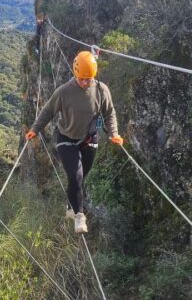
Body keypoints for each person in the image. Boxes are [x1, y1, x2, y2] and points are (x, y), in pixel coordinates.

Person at [26, 50, 124, 233]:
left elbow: (109, 113)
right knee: (75, 176)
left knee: (80, 177)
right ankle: (79, 216)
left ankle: (70, 207)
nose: (86, 82)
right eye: (82, 79)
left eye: (89, 79)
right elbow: (47, 111)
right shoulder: (63, 92)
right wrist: (34, 129)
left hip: (89, 138)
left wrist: (114, 134)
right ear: (75, 73)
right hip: (66, 139)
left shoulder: (101, 90)